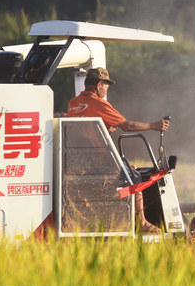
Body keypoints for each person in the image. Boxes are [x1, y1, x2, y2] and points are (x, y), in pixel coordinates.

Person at [66, 68, 169, 233]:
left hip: (79, 160)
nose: (106, 90)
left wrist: (105, 129)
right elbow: (127, 126)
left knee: (128, 168)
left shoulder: (73, 103)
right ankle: (142, 222)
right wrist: (154, 126)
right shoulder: (99, 103)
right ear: (100, 85)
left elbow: (83, 128)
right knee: (134, 175)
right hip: (100, 160)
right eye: (106, 86)